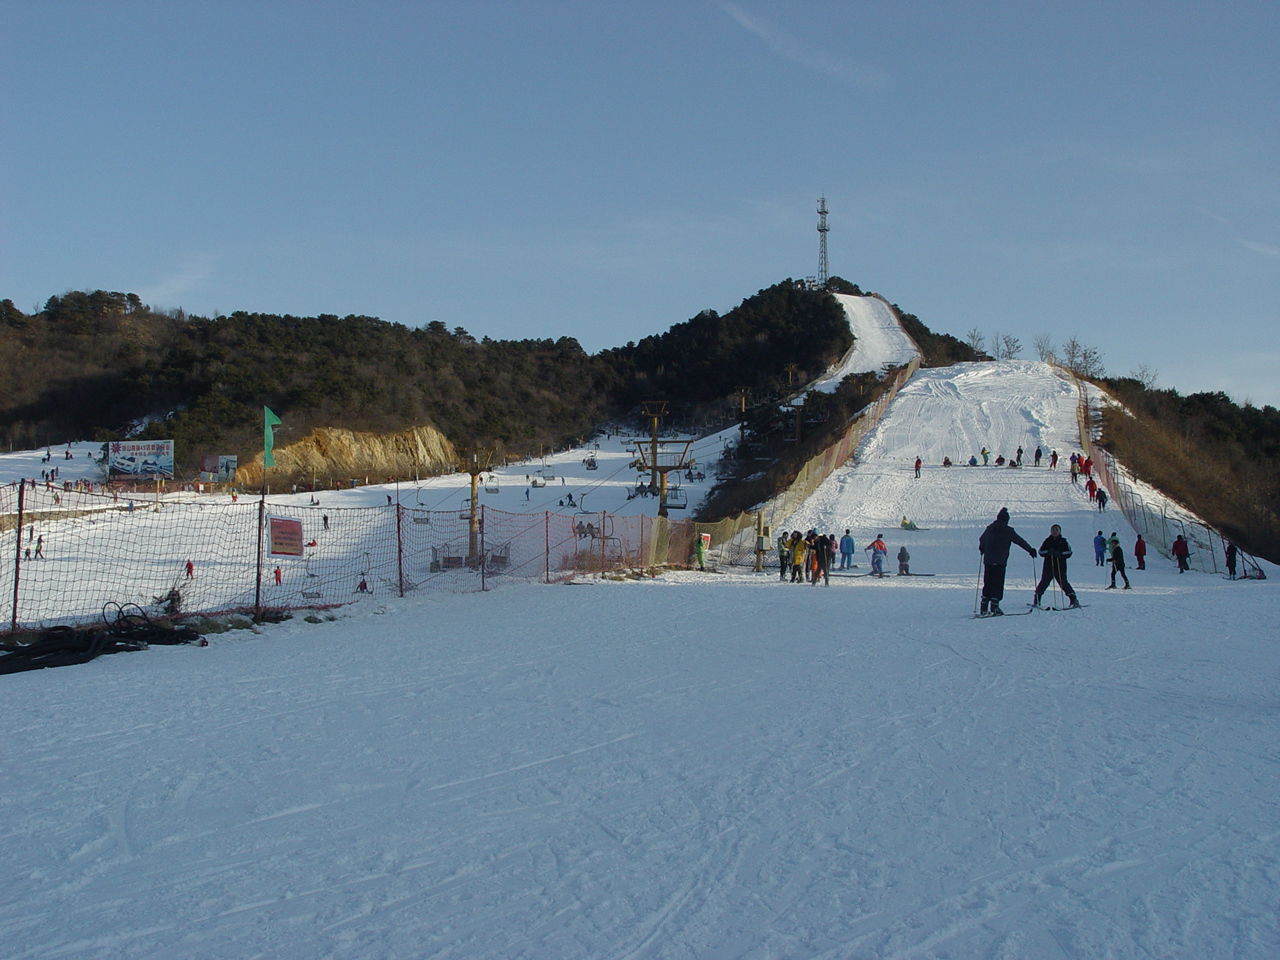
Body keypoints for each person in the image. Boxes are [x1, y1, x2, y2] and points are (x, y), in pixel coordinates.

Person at [978, 508, 1036, 616]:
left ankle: (984, 607)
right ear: (1006, 520)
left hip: (988, 561)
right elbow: (1020, 541)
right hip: (1000, 561)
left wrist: (982, 548)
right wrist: (1030, 550)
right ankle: (995, 607)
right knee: (998, 583)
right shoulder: (1008, 530)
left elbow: (982, 539)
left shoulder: (990, 528)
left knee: (988, 582)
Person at [1032, 524, 1080, 608]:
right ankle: (1037, 600)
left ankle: (1073, 600)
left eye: (1056, 530)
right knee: (1044, 583)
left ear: (1060, 531)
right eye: (1053, 530)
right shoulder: (1047, 541)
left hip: (1060, 566)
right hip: (1048, 566)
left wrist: (1060, 554)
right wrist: (1048, 552)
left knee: (1063, 583)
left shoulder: (1063, 541)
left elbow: (1069, 552)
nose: (1054, 532)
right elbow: (1041, 552)